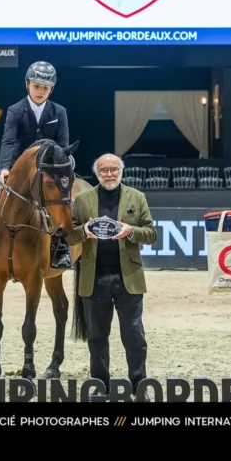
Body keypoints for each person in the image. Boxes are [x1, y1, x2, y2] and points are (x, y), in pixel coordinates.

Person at [0, 61, 72, 269]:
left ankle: (62, 248)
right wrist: (4, 168)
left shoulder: (59, 112)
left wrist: (62, 168)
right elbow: (9, 141)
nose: (40, 91)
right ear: (27, 84)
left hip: (49, 172)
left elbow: (63, 144)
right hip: (17, 169)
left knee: (68, 202)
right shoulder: (15, 110)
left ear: (51, 89)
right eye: (36, 86)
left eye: (45, 88)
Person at [66, 153, 157, 398]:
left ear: (121, 171)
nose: (109, 174)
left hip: (129, 278)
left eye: (114, 169)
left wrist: (131, 231)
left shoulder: (137, 197)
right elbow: (69, 236)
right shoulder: (82, 199)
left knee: (134, 336)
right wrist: (83, 231)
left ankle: (139, 386)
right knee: (96, 337)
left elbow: (151, 233)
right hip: (93, 278)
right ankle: (100, 388)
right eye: (104, 170)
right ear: (97, 173)